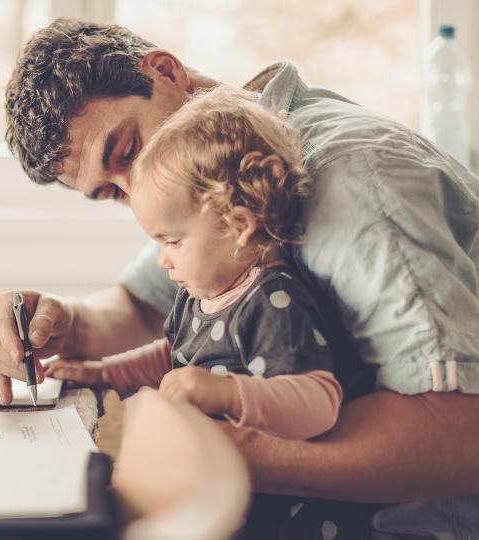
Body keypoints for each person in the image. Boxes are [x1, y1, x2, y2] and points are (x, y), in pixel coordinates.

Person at [0, 18, 479, 539]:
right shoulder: (208, 166)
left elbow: (466, 446)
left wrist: (211, 451)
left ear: (166, 71)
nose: (137, 194)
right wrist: (60, 322)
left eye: (127, 152)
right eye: (113, 193)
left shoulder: (355, 177)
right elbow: (145, 309)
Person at [45, 84, 348, 443]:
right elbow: (173, 356)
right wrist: (103, 374)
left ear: (238, 226)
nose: (162, 259)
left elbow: (319, 403)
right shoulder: (198, 297)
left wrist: (226, 393)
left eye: (172, 241)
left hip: (268, 492)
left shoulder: (273, 303)